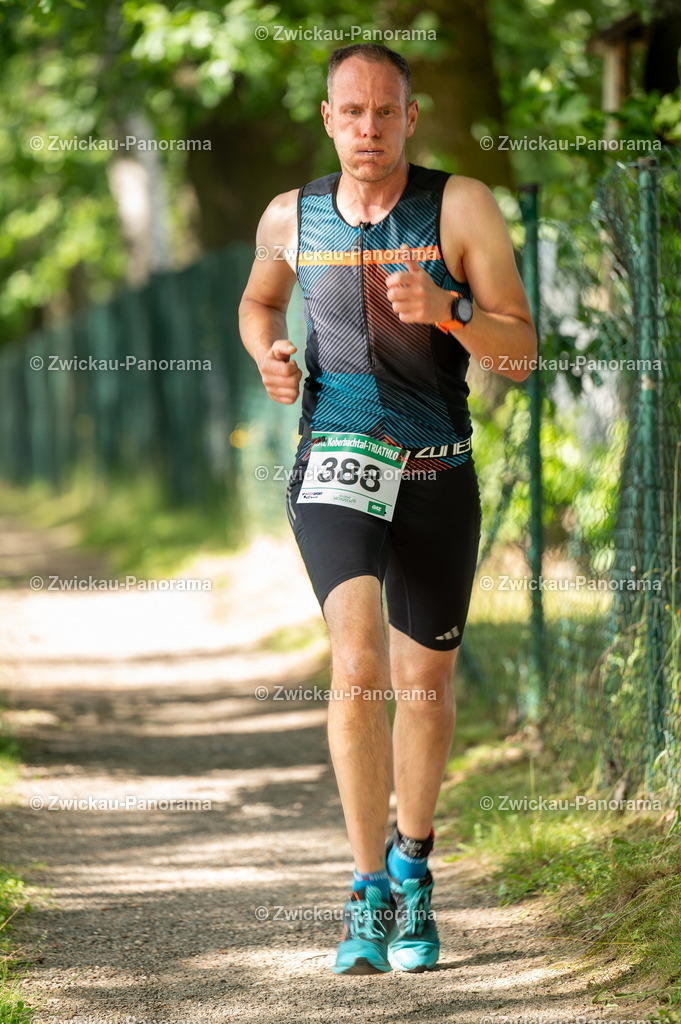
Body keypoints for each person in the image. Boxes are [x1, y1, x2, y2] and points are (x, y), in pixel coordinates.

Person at [239, 42, 536, 975]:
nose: (367, 128)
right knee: (358, 658)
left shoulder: (461, 206)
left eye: (384, 112)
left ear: (410, 117)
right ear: (327, 120)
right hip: (335, 460)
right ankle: (365, 890)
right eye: (349, 112)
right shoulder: (289, 216)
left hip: (437, 470)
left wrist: (450, 309)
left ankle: (413, 866)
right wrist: (269, 354)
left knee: (426, 686)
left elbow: (521, 353)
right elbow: (259, 301)